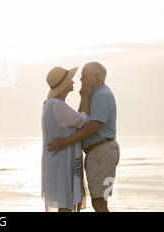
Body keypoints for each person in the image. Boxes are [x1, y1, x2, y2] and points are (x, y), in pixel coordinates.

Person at [47, 62, 120, 212]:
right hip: (97, 152)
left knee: (99, 201)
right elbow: (80, 121)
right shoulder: (94, 95)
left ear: (96, 78)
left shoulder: (102, 95)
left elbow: (93, 127)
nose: (80, 80)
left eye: (84, 77)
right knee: (99, 200)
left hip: (102, 150)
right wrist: (84, 96)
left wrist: (65, 142)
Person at [41, 66, 92, 212]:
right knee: (65, 208)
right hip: (62, 165)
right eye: (70, 79)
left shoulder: (50, 105)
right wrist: (86, 96)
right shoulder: (57, 105)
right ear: (63, 85)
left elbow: (77, 119)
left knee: (64, 207)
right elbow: (85, 121)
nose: (74, 82)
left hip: (56, 164)